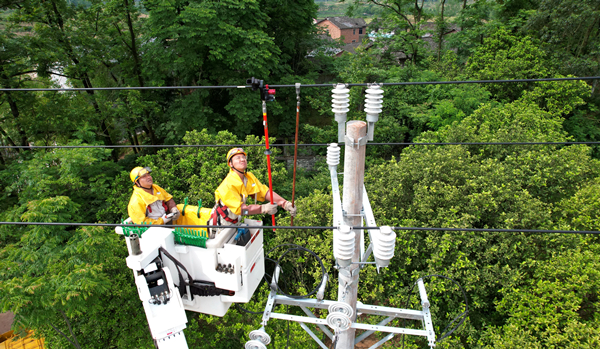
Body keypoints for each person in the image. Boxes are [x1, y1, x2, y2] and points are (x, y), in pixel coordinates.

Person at [210, 148, 296, 231]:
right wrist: (263, 208)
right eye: (238, 158)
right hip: (221, 224)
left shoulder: (248, 178)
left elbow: (264, 192)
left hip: (234, 220)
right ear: (231, 164)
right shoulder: (228, 184)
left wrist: (285, 203)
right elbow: (241, 210)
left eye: (243, 157)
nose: (242, 159)